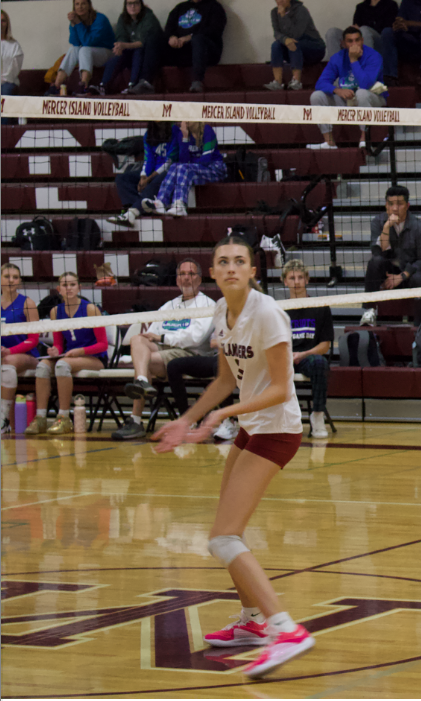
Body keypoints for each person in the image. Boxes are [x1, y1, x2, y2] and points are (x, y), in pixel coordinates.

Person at [152, 235, 316, 679]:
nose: (230, 268)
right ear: (212, 271)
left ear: (252, 271)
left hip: (277, 431)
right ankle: (253, 621)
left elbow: (283, 388)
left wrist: (225, 414)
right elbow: (225, 380)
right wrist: (187, 420)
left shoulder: (267, 315)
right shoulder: (221, 315)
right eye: (222, 261)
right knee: (226, 532)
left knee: (224, 539)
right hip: (251, 428)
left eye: (239, 261)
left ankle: (287, 630)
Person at [113, 259, 216, 441]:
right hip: (163, 350)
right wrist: (156, 337)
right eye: (182, 274)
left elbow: (195, 338)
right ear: (176, 280)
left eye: (191, 274)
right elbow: (151, 332)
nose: (186, 278)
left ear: (199, 279)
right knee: (137, 339)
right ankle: (143, 382)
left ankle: (136, 420)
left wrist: (162, 338)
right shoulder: (170, 305)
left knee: (142, 362)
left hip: (190, 354)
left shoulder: (207, 304)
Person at [29, 272, 107, 436]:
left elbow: (103, 345)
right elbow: (58, 343)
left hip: (94, 358)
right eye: (65, 285)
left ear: (79, 287)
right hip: (70, 356)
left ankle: (63, 418)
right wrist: (55, 350)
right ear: (59, 289)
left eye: (72, 285)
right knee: (42, 366)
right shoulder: (55, 312)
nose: (69, 288)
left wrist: (80, 351)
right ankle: (41, 418)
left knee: (62, 364)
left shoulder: (90, 309)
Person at [360, 184, 421, 326]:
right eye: (391, 204)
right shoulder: (378, 222)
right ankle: (369, 311)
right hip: (389, 272)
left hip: (410, 273)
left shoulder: (419, 227)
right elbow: (378, 252)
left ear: (407, 205)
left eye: (399, 204)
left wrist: (403, 275)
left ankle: (419, 323)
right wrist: (387, 227)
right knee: (374, 262)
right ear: (386, 205)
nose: (394, 208)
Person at [308, 27, 385, 150]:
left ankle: (364, 139)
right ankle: (329, 142)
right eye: (350, 41)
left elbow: (366, 84)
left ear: (362, 41)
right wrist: (337, 90)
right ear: (343, 44)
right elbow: (321, 83)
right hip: (347, 98)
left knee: (361, 93)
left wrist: (353, 60)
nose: (354, 44)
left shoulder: (374, 56)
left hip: (373, 97)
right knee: (316, 96)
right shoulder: (337, 58)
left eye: (357, 40)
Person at [282, 259, 334, 439]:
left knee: (320, 363)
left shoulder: (320, 306)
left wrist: (303, 354)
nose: (296, 282)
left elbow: (325, 346)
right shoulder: (278, 310)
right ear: (285, 281)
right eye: (292, 278)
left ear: (307, 280)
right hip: (282, 359)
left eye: (300, 277)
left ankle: (317, 416)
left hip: (307, 358)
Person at [325, 0, 400, 81]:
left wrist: (364, 28)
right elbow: (355, 27)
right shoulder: (361, 7)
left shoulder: (391, 5)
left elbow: (387, 29)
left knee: (364, 30)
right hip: (360, 40)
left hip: (379, 42)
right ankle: (337, 75)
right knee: (332, 32)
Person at [164, 0, 227, 93]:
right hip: (182, 51)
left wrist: (189, 37)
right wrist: (172, 37)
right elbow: (168, 28)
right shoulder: (180, 8)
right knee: (155, 40)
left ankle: (197, 81)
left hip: (207, 52)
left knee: (198, 39)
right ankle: (146, 82)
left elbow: (215, 30)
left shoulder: (215, 8)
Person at [147, 121, 225, 218]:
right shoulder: (181, 134)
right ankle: (160, 202)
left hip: (214, 168)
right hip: (193, 170)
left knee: (183, 168)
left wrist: (189, 165)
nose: (184, 120)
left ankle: (179, 204)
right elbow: (183, 160)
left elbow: (206, 160)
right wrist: (184, 138)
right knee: (174, 166)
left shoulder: (207, 130)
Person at [107, 121, 176, 227]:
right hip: (153, 171)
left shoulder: (175, 131)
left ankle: (132, 212)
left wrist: (148, 179)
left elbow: (169, 162)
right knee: (122, 178)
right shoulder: (149, 134)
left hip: (170, 171)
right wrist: (143, 176)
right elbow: (148, 159)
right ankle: (141, 208)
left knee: (156, 181)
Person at [47, 0, 114, 96]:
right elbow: (75, 42)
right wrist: (73, 25)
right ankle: (56, 85)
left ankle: (84, 85)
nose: (80, 7)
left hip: (107, 53)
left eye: (83, 3)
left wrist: (78, 23)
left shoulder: (100, 19)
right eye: (77, 4)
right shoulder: (76, 21)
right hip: (89, 53)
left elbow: (89, 42)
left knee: (84, 49)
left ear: (89, 5)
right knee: (73, 49)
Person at [0, 263, 39, 434]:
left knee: (7, 363)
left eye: (15, 277)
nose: (11, 280)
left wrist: (10, 350)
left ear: (20, 281)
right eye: (7, 276)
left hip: (26, 355)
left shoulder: (27, 303)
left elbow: (34, 340)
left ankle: (3, 419)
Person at [265, 0, 325, 92]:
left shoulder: (301, 10)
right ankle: (277, 82)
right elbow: (277, 33)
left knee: (294, 42)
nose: (281, 0)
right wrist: (285, 40)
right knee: (276, 45)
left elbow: (296, 34)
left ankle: (296, 81)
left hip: (314, 48)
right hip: (293, 47)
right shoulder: (274, 12)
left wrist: (284, 16)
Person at [100, 0, 162, 94]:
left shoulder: (148, 16)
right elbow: (121, 37)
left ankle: (133, 84)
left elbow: (143, 42)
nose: (132, 6)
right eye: (129, 4)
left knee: (137, 50)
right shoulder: (123, 17)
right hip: (131, 53)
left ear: (141, 5)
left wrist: (123, 45)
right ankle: (103, 86)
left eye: (136, 3)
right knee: (118, 56)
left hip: (149, 55)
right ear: (125, 6)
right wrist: (119, 47)